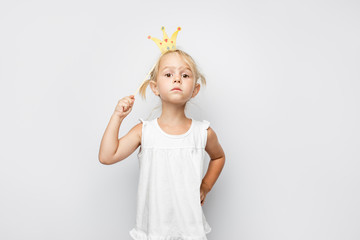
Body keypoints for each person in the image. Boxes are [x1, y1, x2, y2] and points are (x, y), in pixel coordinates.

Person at [98, 49, 226, 240]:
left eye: (185, 75)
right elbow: (107, 156)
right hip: (153, 230)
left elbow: (218, 157)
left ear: (195, 90)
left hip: (190, 230)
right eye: (168, 74)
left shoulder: (202, 133)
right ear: (155, 87)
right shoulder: (144, 131)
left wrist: (205, 186)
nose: (177, 79)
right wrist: (117, 117)